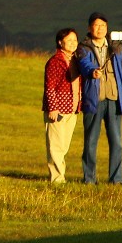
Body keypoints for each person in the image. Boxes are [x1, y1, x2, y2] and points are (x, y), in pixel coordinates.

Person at [71, 11, 122, 184]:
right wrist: (91, 72)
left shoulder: (116, 47)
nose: (100, 29)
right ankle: (89, 179)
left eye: (103, 25)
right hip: (93, 99)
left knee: (116, 142)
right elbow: (84, 64)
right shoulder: (83, 48)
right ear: (89, 28)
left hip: (114, 99)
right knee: (90, 142)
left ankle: (116, 180)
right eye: (96, 25)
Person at [41, 27, 81, 183]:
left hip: (72, 108)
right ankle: (57, 179)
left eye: (75, 40)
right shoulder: (55, 61)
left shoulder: (75, 60)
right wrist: (52, 108)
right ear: (60, 42)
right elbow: (49, 86)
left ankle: (59, 176)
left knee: (63, 146)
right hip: (57, 109)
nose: (72, 43)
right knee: (55, 145)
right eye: (69, 40)